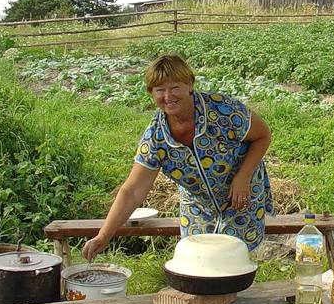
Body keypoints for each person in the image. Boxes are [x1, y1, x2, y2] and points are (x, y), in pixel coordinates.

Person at [82, 53, 273, 260]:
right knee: (197, 260)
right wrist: (103, 235)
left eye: (174, 87)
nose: (167, 96)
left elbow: (263, 135)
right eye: (159, 90)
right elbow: (132, 190)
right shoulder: (156, 138)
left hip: (240, 196)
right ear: (151, 93)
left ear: (190, 84)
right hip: (198, 205)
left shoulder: (223, 111)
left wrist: (242, 178)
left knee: (231, 258)